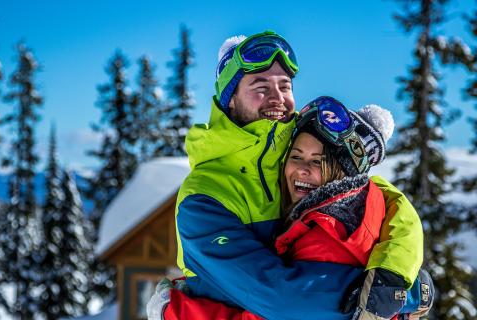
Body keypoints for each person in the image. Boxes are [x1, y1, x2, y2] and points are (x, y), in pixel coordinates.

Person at [148, 31, 426, 320]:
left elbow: (380, 193)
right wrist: (402, 296)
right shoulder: (204, 195)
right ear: (230, 98)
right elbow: (278, 297)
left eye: (285, 85)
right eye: (261, 86)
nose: (277, 97)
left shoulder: (289, 155)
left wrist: (395, 272)